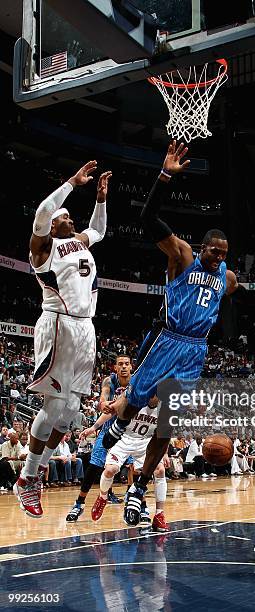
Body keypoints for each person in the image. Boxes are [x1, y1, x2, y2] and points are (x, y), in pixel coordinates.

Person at [103, 142, 255, 527]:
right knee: (130, 406)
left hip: (195, 351)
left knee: (168, 422)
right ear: (203, 246)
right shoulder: (182, 256)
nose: (218, 257)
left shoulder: (226, 277)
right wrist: (164, 176)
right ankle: (119, 428)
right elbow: (147, 218)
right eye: (214, 251)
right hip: (168, 339)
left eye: (223, 253)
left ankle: (140, 485)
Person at [14, 162, 112, 518]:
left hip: (86, 328)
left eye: (71, 217)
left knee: (70, 412)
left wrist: (100, 199)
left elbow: (98, 230)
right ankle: (27, 478)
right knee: (54, 407)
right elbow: (41, 212)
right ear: (54, 224)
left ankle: (39, 465)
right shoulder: (43, 248)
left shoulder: (80, 241)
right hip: (58, 323)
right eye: (64, 217)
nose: (71, 220)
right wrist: (72, 182)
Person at [65, 355, 132, 522]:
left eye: (126, 364)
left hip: (130, 430)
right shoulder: (109, 381)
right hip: (109, 427)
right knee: (95, 465)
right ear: (115, 367)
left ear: (131, 366)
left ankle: (136, 504)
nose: (123, 367)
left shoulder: (137, 382)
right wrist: (101, 407)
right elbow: (104, 398)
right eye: (120, 364)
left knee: (133, 467)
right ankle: (79, 503)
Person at [91, 396, 170, 532]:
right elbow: (112, 410)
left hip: (145, 442)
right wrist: (94, 426)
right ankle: (103, 497)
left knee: (160, 470)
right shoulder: (137, 397)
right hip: (124, 439)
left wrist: (165, 453)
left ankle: (159, 514)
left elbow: (164, 434)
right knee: (111, 470)